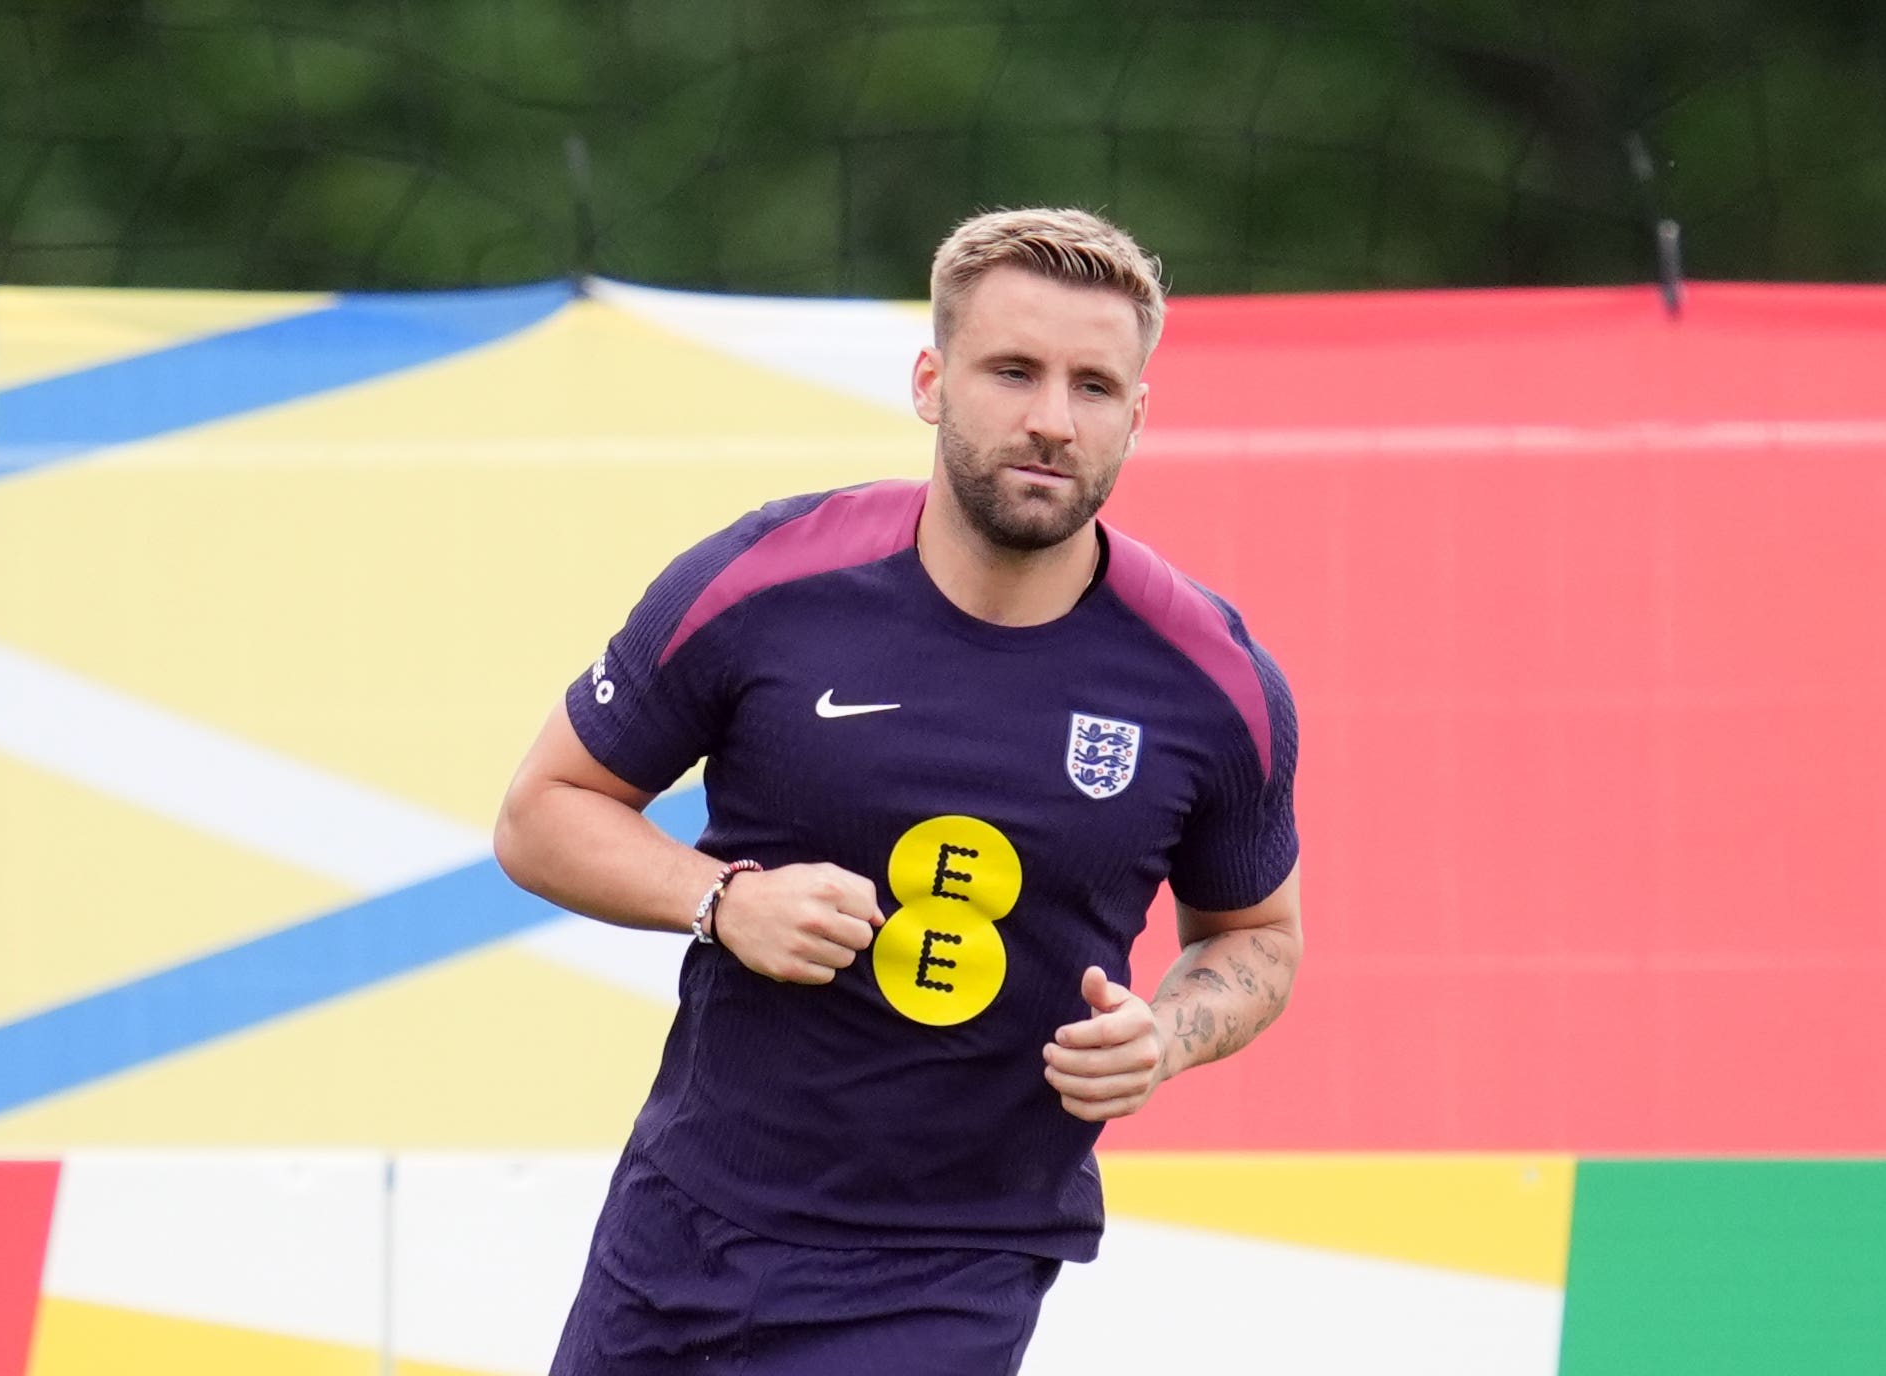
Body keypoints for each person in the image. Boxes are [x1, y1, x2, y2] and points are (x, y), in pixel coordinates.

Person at [494, 207, 1302, 1375]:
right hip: (684, 1224)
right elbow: (543, 813)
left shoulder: (1214, 683)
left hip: (951, 1269)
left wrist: (1165, 1036)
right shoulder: (762, 581)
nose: (1050, 419)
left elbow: (1258, 935)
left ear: (1138, 412)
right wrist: (725, 899)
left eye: (1093, 385)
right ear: (931, 380)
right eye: (1012, 370)